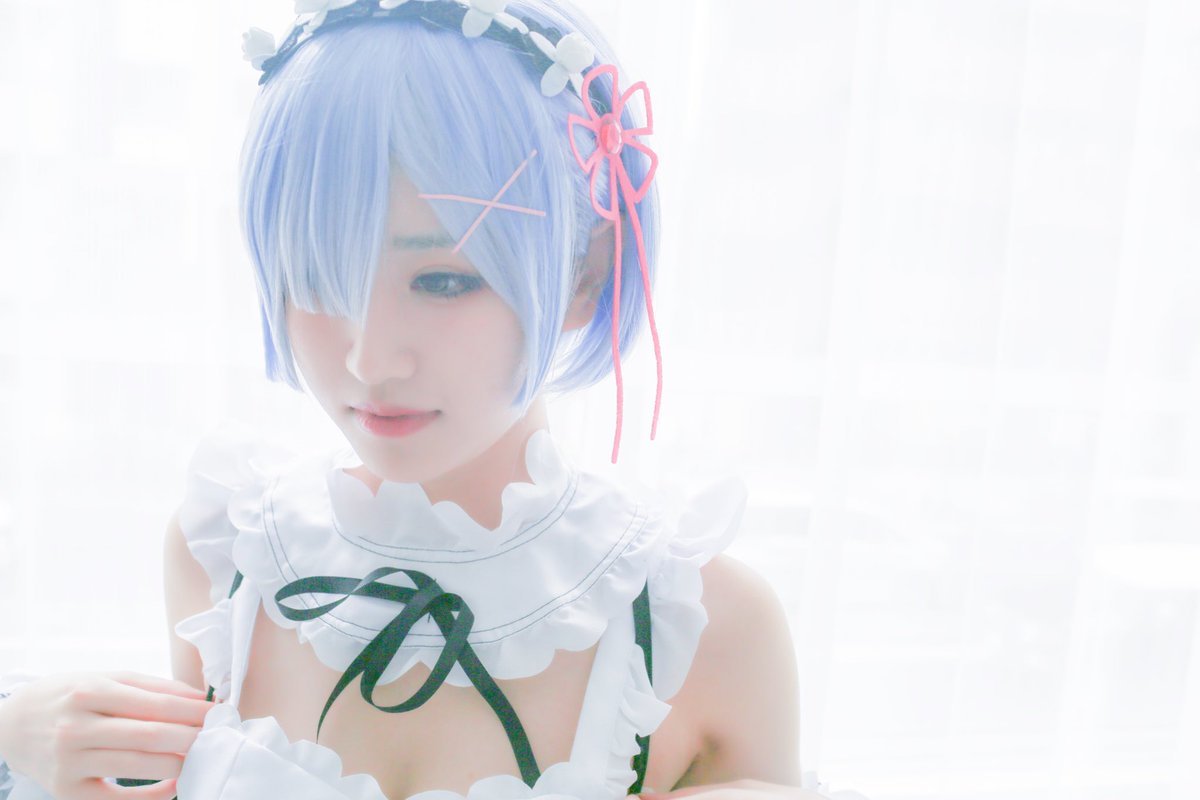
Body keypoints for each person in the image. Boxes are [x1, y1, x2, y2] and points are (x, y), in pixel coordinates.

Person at [0, 2, 861, 798]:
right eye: (318, 280)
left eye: (444, 280)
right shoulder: (226, 553)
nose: (370, 358)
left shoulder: (701, 628)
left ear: (584, 274)